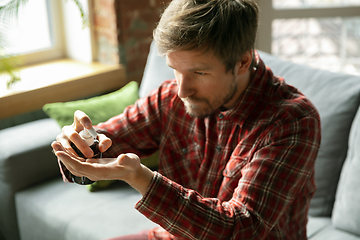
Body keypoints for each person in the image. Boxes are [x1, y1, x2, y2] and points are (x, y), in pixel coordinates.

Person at [51, 0, 321, 239]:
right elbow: (107, 145)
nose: (182, 90)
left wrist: (142, 178)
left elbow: (241, 230)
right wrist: (80, 148)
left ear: (241, 61)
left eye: (199, 73)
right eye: (174, 70)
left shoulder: (292, 121)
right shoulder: (169, 98)